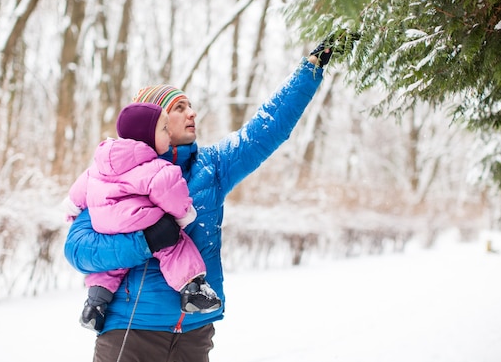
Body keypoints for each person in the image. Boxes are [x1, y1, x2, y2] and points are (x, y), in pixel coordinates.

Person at [65, 39, 340, 362]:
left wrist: (311, 69)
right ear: (156, 120)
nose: (192, 113)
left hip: (194, 334)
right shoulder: (114, 174)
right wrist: (146, 242)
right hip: (131, 331)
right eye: (179, 108)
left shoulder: (212, 168)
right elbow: (79, 250)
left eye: (190, 105)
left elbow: (267, 128)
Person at [64, 102, 221, 332]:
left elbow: (80, 189)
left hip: (104, 224)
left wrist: (72, 209)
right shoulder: (156, 167)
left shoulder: (99, 163)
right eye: (164, 129)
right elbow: (171, 193)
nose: (168, 134)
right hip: (138, 220)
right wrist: (184, 216)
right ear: (147, 136)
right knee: (174, 245)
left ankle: (95, 304)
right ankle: (192, 289)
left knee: (112, 267)